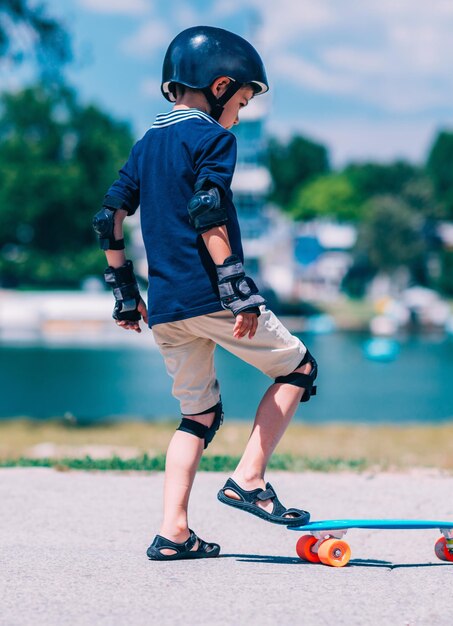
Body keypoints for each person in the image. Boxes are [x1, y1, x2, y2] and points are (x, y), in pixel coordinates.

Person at [93, 26, 317, 561]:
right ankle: (250, 479)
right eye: (240, 102)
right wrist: (238, 289)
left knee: (198, 415)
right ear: (220, 87)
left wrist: (126, 293)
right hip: (213, 295)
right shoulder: (214, 139)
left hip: (166, 307)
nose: (238, 114)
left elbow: (108, 219)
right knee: (299, 369)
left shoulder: (146, 145)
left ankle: (173, 532)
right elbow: (208, 209)